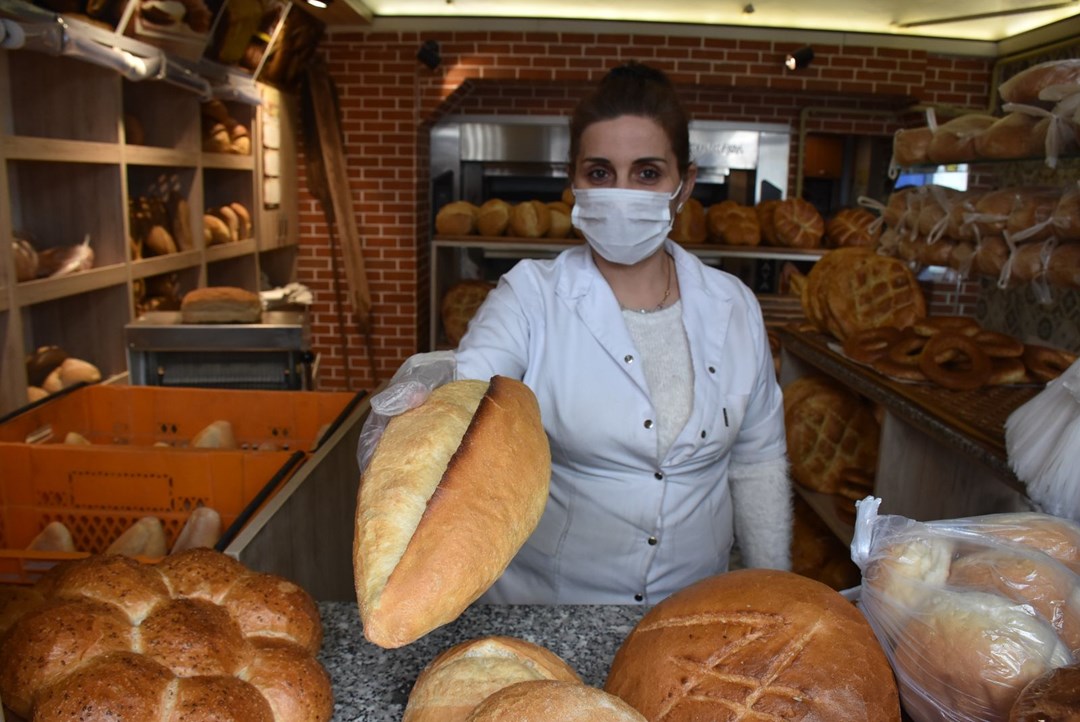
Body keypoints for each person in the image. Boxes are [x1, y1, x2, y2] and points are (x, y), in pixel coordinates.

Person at [361, 61, 792, 606]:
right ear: (573, 183)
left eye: (647, 173)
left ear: (684, 185)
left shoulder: (734, 307)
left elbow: (757, 461)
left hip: (693, 608)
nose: (622, 191)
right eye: (601, 173)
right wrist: (429, 398)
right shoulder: (532, 295)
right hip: (555, 610)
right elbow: (469, 386)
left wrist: (777, 590)